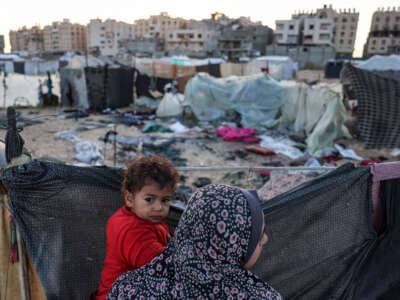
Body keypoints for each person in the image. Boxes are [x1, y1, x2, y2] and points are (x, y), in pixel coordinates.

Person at [107, 184, 282, 300]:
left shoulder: (127, 288)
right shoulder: (261, 297)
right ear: (231, 244)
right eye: (258, 234)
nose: (265, 239)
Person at [92, 155, 179, 300]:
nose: (158, 207)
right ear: (129, 199)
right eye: (149, 199)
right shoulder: (131, 229)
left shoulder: (149, 219)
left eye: (165, 200)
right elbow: (159, 266)